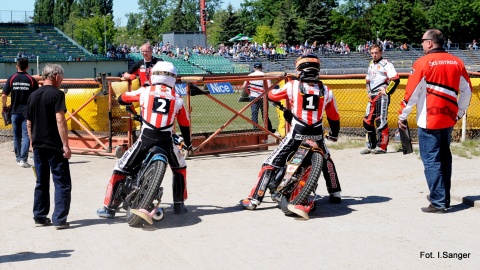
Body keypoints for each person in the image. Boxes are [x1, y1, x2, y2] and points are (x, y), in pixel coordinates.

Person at [239, 54, 342, 218]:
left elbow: (272, 96)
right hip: (317, 135)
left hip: (297, 134)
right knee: (326, 158)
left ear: (300, 69)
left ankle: (254, 199)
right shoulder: (327, 90)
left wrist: (274, 88)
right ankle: (335, 193)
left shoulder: (292, 85)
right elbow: (334, 117)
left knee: (270, 163)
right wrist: (334, 134)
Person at [97, 61, 192, 218]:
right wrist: (188, 144)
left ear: (154, 75)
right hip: (166, 141)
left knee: (120, 167)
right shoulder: (177, 98)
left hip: (146, 138)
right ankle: (179, 204)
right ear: (173, 77)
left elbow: (124, 98)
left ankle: (109, 207)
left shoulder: (145, 91)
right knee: (180, 167)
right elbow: (185, 124)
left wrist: (121, 99)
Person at [398, 29, 472, 213]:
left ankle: (438, 201)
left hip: (428, 120)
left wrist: (402, 116)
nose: (422, 44)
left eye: (423, 41)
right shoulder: (457, 61)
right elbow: (467, 90)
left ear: (430, 43)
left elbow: (411, 94)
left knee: (431, 160)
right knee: (445, 158)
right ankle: (442, 197)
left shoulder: (422, 62)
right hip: (448, 119)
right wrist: (460, 112)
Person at [25, 64, 72, 229]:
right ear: (56, 76)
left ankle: (40, 216)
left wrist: (32, 142)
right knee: (62, 182)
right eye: (62, 78)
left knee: (41, 181)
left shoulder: (33, 96)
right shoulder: (57, 95)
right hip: (54, 145)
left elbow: (29, 123)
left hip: (38, 145)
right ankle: (59, 219)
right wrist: (66, 145)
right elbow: (60, 120)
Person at [361, 44, 400, 154]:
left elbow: (395, 79)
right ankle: (371, 145)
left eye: (376, 53)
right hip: (372, 95)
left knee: (380, 120)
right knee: (367, 121)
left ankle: (382, 146)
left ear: (381, 53)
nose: (374, 55)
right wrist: (368, 92)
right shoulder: (371, 64)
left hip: (381, 96)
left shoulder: (386, 64)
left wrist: (386, 91)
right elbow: (368, 80)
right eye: (372, 53)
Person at [2, 57, 39, 167]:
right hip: (27, 112)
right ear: (27, 67)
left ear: (16, 66)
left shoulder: (12, 78)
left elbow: (4, 95)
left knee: (16, 136)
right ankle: (23, 159)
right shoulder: (31, 79)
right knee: (26, 135)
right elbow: (36, 96)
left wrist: (4, 107)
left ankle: (18, 158)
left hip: (14, 111)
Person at [242, 62, 275, 133]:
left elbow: (244, 86)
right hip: (263, 97)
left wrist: (249, 92)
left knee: (254, 113)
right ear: (261, 68)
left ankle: (255, 129)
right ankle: (268, 129)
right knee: (265, 114)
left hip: (253, 96)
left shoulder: (250, 75)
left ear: (254, 68)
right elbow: (269, 86)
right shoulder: (265, 75)